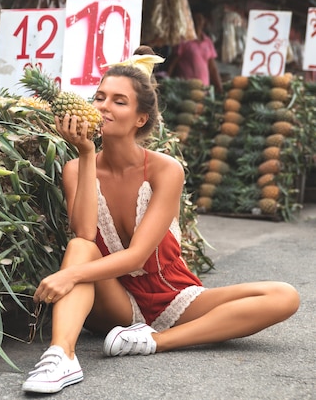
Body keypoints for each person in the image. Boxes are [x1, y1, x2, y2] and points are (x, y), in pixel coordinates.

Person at [21, 46, 300, 394]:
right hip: (115, 303)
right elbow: (85, 234)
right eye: (99, 97)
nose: (104, 106)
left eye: (119, 101)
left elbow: (138, 256)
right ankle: (61, 356)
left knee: (284, 295)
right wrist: (87, 153)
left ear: (141, 118)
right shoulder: (76, 168)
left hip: (174, 296)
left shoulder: (166, 169)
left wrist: (68, 275)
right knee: (80, 245)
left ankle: (155, 341)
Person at [167, 12, 224, 94]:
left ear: (204, 21)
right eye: (195, 19)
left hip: (203, 90)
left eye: (200, 19)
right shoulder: (184, 39)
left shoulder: (208, 41)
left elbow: (212, 67)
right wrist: (167, 82)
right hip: (186, 90)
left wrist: (219, 86)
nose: (198, 22)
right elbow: (172, 63)